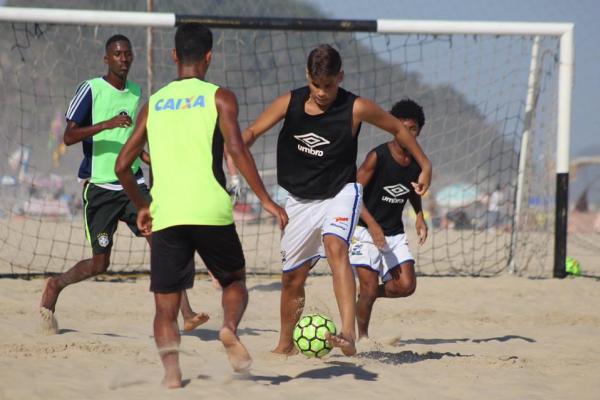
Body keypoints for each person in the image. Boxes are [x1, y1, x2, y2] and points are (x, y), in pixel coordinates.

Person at [115, 23, 288, 388]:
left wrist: (142, 205)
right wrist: (267, 200)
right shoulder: (220, 97)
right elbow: (237, 151)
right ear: (209, 57)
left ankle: (172, 375)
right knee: (234, 280)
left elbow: (122, 165)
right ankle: (229, 328)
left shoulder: (153, 104)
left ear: (174, 56)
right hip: (211, 209)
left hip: (167, 213)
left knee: (165, 308)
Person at [243, 44, 432, 356]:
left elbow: (397, 127)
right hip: (299, 200)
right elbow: (250, 133)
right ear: (307, 75)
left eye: (328, 85)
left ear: (340, 77)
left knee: (335, 247)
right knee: (292, 278)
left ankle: (347, 333)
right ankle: (285, 344)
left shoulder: (355, 108)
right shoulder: (288, 102)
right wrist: (235, 148)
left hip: (340, 192)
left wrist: (425, 165)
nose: (321, 92)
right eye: (315, 84)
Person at [39, 34, 207, 335]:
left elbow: (128, 139)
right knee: (99, 264)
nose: (124, 59)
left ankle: (187, 313)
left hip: (132, 184)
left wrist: (148, 157)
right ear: (107, 59)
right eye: (117, 54)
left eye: (127, 54)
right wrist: (106, 124)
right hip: (100, 187)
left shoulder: (135, 92)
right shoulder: (91, 89)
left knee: (162, 242)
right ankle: (55, 284)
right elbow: (69, 136)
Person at [349, 99, 428, 340]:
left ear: (419, 131)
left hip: (393, 232)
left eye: (413, 129)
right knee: (369, 286)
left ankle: (367, 295)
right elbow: (353, 194)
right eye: (402, 127)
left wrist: (420, 216)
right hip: (364, 230)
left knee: (406, 286)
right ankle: (363, 338)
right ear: (393, 127)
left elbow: (414, 189)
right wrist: (372, 225)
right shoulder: (378, 156)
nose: (407, 133)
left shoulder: (417, 163)